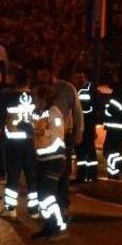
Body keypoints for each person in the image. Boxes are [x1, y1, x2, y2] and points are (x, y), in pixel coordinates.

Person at [34, 64, 83, 220]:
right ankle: (50, 209)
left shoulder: (66, 89)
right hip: (43, 138)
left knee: (62, 174)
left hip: (62, 137)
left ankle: (62, 207)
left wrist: (78, 132)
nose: (41, 76)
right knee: (44, 176)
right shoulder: (38, 91)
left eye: (43, 72)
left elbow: (77, 111)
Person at [0, 67, 39, 220]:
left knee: (12, 176)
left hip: (13, 143)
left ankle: (10, 209)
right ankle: (34, 210)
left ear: (15, 81)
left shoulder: (7, 98)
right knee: (32, 177)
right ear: (29, 81)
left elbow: (0, 122)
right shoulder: (35, 98)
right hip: (31, 143)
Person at [31, 83, 68, 240]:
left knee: (48, 196)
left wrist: (43, 151)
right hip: (42, 159)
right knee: (42, 196)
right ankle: (48, 226)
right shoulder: (39, 113)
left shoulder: (54, 113)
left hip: (54, 160)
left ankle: (59, 227)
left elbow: (57, 137)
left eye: (36, 97)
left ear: (44, 98)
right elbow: (39, 134)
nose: (34, 100)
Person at [70, 66, 100, 183]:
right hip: (78, 124)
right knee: (80, 151)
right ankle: (81, 176)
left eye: (79, 76)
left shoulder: (90, 89)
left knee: (90, 150)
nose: (77, 78)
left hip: (88, 124)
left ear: (84, 76)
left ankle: (93, 175)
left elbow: (96, 107)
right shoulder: (76, 89)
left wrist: (93, 122)